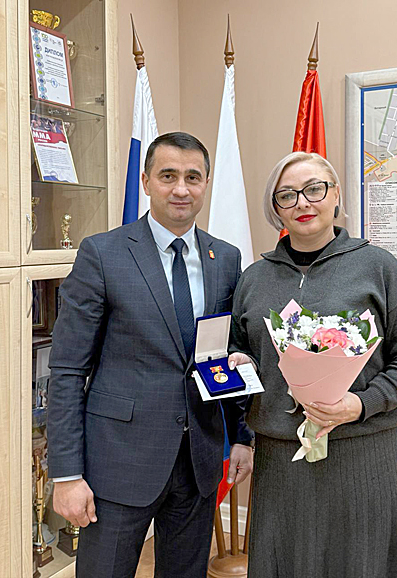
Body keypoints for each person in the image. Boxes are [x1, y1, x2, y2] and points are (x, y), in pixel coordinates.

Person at [47, 132, 254, 578]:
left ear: (206, 183)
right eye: (168, 176)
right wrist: (66, 475)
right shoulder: (103, 254)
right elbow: (66, 370)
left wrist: (241, 435)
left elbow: (228, 353)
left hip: (198, 461)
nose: (181, 188)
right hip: (118, 464)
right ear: (145, 181)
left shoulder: (225, 258)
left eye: (193, 177)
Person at [228, 151, 397, 577]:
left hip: (361, 451)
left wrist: (361, 404)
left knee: (360, 562)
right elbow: (242, 351)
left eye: (314, 189)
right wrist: (240, 363)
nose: (302, 203)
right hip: (280, 457)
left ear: (336, 194)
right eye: (287, 195)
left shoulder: (377, 267)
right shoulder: (254, 278)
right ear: (276, 207)